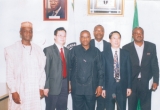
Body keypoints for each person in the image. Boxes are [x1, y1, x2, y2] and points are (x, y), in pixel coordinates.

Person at [4, 21, 46, 110]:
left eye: (30, 31)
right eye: (25, 31)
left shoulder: (38, 50)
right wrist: (13, 91)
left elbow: (42, 71)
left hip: (34, 92)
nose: (28, 33)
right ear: (20, 32)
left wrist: (41, 87)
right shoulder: (12, 50)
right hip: (19, 91)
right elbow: (9, 74)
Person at [122, 27, 159, 110]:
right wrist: (125, 84)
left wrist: (156, 81)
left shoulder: (151, 46)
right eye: (136, 33)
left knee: (146, 107)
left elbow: (155, 65)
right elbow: (124, 68)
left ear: (143, 34)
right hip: (131, 84)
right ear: (132, 35)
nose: (139, 35)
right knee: (132, 107)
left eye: (140, 33)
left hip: (146, 83)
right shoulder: (126, 48)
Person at [69, 30, 104, 110]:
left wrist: (99, 85)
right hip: (77, 88)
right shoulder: (74, 50)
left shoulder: (96, 51)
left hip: (91, 88)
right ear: (80, 38)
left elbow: (100, 70)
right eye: (83, 37)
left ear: (90, 38)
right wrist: (69, 83)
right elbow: (69, 68)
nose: (85, 39)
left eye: (87, 37)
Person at [102, 31, 132, 110]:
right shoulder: (104, 54)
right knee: (109, 108)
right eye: (114, 38)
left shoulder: (126, 53)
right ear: (110, 40)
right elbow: (103, 72)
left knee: (122, 107)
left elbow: (129, 71)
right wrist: (103, 88)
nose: (116, 40)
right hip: (109, 87)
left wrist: (129, 87)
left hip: (122, 86)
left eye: (118, 38)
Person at [43, 27, 69, 110]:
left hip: (65, 84)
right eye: (60, 35)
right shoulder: (48, 50)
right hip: (52, 86)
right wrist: (46, 87)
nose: (62, 37)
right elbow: (46, 70)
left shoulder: (67, 51)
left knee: (63, 108)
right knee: (50, 107)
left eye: (64, 36)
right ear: (55, 37)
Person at [90, 24, 110, 110]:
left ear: (104, 33)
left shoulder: (109, 45)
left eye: (101, 30)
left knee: (101, 106)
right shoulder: (87, 43)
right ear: (93, 32)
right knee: (89, 105)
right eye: (97, 30)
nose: (99, 32)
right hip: (89, 81)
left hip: (104, 81)